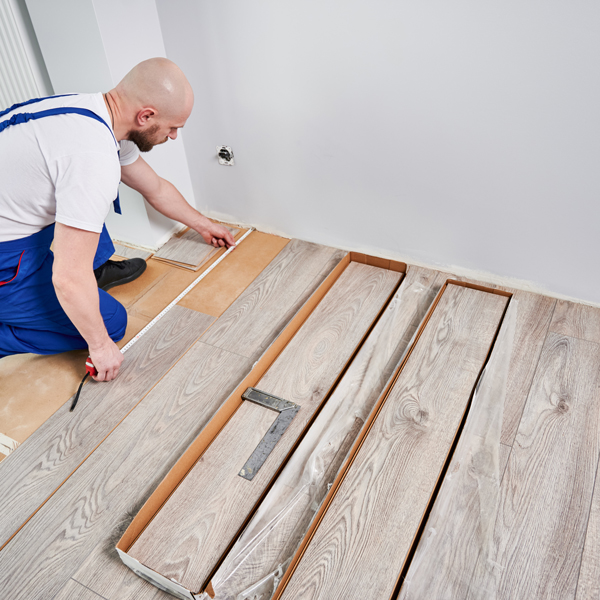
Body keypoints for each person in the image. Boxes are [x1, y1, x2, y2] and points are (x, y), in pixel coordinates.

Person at [0, 57, 235, 382]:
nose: (174, 136)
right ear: (146, 116)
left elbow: (155, 188)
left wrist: (204, 225)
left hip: (13, 218)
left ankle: (90, 275)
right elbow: (66, 278)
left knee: (84, 207)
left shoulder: (92, 113)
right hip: (7, 255)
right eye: (173, 127)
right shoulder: (92, 158)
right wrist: (100, 346)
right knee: (111, 323)